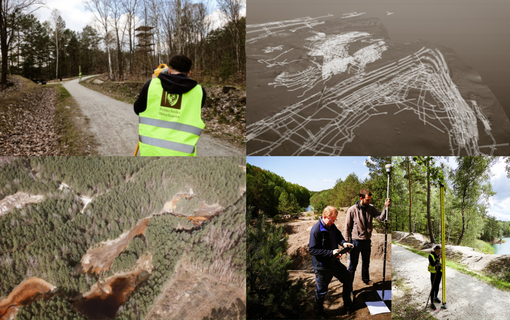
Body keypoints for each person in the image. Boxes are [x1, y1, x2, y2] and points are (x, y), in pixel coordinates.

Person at [133, 54, 207, 156]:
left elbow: (138, 109)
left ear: (169, 70)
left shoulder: (151, 84)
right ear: (189, 73)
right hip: (182, 155)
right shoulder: (200, 91)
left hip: (151, 151)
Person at [309, 206, 355, 317]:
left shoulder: (332, 226)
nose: (333, 222)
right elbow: (312, 250)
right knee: (321, 291)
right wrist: (331, 253)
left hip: (334, 263)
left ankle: (348, 305)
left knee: (348, 279)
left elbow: (339, 236)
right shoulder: (316, 230)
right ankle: (319, 313)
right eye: (331, 220)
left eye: (335, 220)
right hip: (322, 267)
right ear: (324, 217)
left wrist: (344, 243)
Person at [344, 189, 390, 285]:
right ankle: (348, 285)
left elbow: (380, 218)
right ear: (361, 198)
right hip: (355, 241)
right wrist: (346, 243)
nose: (369, 202)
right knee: (353, 265)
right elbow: (347, 227)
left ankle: (365, 279)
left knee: (366, 262)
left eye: (370, 199)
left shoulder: (371, 208)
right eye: (367, 200)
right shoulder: (352, 210)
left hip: (367, 241)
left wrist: (385, 208)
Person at [428, 245, 442, 309]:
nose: (439, 252)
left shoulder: (440, 255)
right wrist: (438, 259)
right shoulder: (431, 256)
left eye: (440, 251)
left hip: (439, 273)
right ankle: (432, 303)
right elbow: (433, 264)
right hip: (433, 273)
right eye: (438, 251)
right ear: (435, 249)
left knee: (437, 286)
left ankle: (435, 297)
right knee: (433, 287)